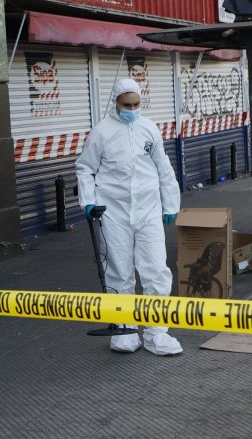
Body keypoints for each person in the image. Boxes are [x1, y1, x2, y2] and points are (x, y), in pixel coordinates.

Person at [75, 78, 183, 356]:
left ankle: (157, 333)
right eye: (127, 105)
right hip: (113, 213)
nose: (132, 109)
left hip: (148, 210)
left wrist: (171, 204)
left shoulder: (149, 129)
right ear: (115, 103)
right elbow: (85, 168)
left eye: (136, 104)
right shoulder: (101, 133)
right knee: (119, 272)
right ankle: (125, 330)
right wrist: (88, 202)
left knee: (156, 271)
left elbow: (163, 167)